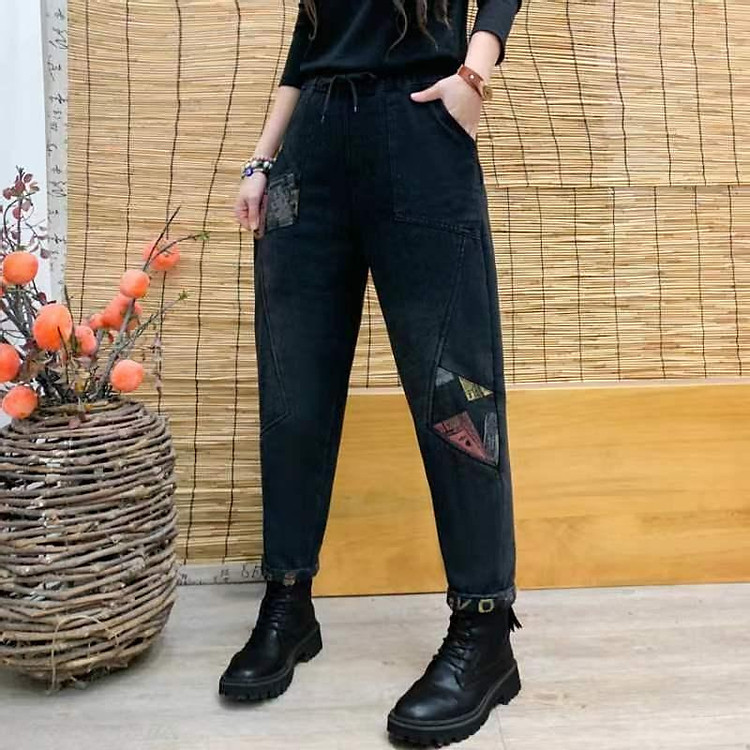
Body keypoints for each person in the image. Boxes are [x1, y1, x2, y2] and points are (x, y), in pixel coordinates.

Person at [223, 0, 523, 745]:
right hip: (311, 147)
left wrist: (473, 76)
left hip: (419, 130)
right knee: (292, 389)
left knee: (455, 389)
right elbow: (309, 39)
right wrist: (262, 158)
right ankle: (288, 601)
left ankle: (484, 628)